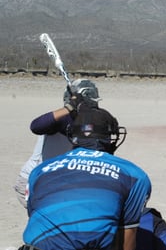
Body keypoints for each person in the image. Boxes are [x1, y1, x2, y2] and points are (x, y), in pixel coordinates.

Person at [19, 100, 151, 250]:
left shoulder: (40, 170)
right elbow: (127, 239)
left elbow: (35, 217)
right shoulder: (134, 175)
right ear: (111, 137)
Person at [14, 79, 101, 208]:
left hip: (59, 182)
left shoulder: (89, 123)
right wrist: (68, 108)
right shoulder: (62, 119)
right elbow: (36, 126)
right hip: (35, 180)